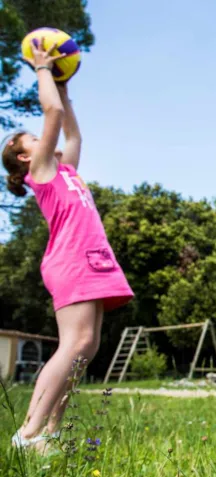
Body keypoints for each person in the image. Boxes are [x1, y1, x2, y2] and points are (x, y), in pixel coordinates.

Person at [3, 39, 134, 450]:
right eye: (31, 139)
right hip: (70, 260)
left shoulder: (67, 171)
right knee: (73, 344)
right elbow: (54, 115)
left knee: (87, 347)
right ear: (24, 158)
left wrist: (64, 85)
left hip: (93, 259)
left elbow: (72, 129)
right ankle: (26, 433)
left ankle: (52, 432)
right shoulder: (41, 170)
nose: (44, 141)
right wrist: (43, 68)